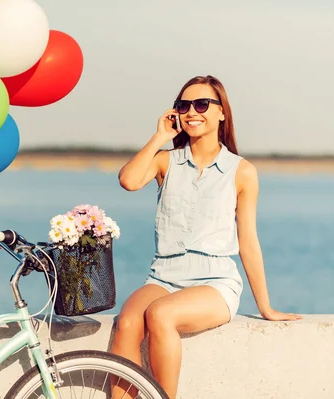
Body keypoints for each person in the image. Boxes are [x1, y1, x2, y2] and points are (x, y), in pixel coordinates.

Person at [110, 75, 302, 399]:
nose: (192, 112)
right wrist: (159, 137)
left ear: (221, 113)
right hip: (162, 277)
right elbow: (128, 180)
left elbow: (249, 242)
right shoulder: (165, 161)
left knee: (160, 315)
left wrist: (265, 307)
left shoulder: (241, 171)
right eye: (184, 105)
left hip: (215, 282)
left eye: (202, 104)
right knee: (127, 323)